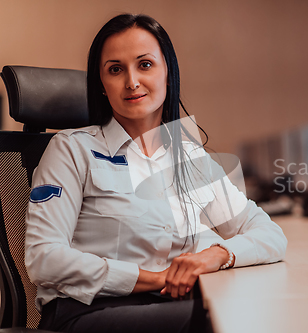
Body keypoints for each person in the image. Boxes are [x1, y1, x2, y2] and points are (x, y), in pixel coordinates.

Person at [25, 13, 287, 333]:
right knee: (220, 320)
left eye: (145, 65)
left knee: (264, 305)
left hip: (169, 308)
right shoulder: (71, 149)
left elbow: (270, 235)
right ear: (102, 86)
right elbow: (44, 258)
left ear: (168, 73)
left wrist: (217, 255)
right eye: (115, 69)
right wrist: (155, 278)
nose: (132, 81)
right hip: (88, 311)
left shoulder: (189, 157)